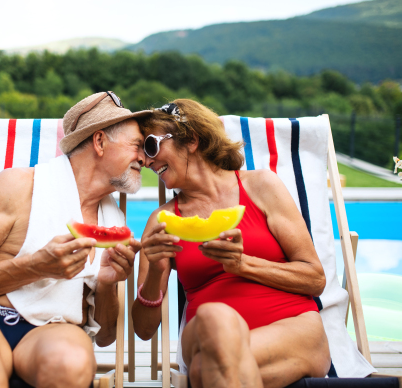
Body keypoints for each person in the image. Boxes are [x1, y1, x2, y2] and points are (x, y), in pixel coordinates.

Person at [0, 92, 151, 388]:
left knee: (70, 369)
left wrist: (108, 283)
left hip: (55, 329)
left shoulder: (116, 222)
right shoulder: (18, 186)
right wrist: (37, 266)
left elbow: (107, 335)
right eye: (137, 146)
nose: (145, 159)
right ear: (99, 142)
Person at [132, 99, 331, 388]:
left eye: (150, 146)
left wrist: (243, 264)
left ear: (191, 140)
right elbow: (144, 329)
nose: (147, 161)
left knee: (205, 370)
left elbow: (315, 278)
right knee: (215, 317)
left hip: (292, 328)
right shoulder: (161, 221)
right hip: (205, 331)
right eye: (141, 154)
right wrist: (155, 271)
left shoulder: (262, 185)